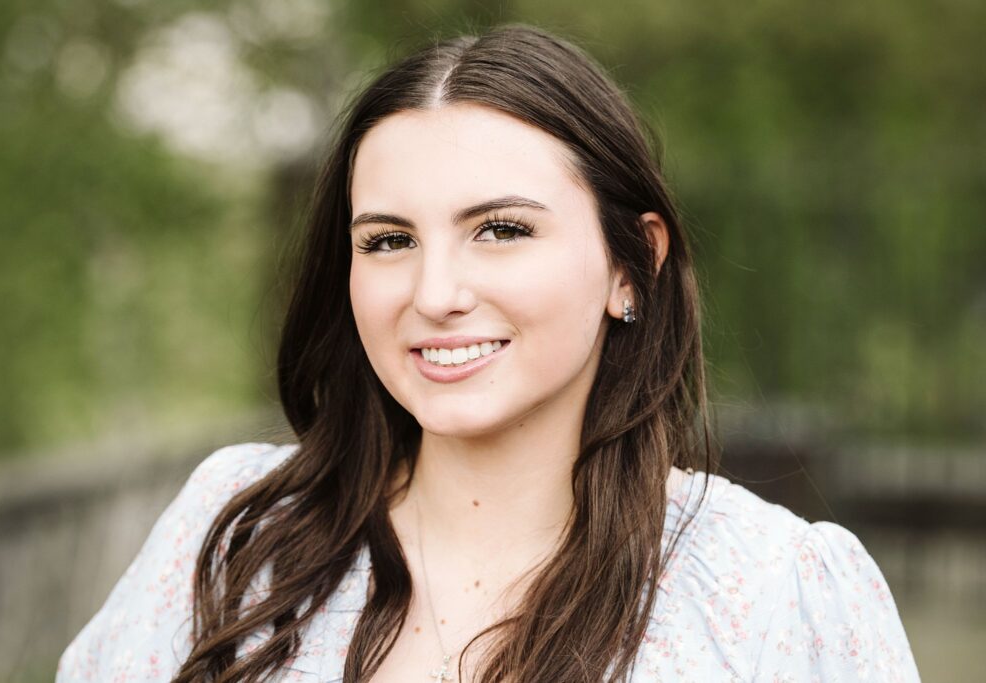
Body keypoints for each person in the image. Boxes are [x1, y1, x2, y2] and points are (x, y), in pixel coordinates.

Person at [57, 25, 920, 683]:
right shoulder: (241, 542)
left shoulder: (774, 588)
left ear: (633, 265)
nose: (434, 292)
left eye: (501, 229)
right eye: (389, 240)